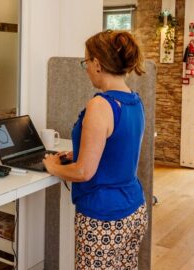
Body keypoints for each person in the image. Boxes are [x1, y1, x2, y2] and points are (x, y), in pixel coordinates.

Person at [43, 29, 148, 270]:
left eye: (86, 62)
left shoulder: (101, 105)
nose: (86, 68)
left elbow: (83, 173)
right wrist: (77, 152)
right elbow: (119, 147)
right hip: (134, 209)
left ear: (98, 64)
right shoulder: (134, 100)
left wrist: (53, 167)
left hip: (104, 219)